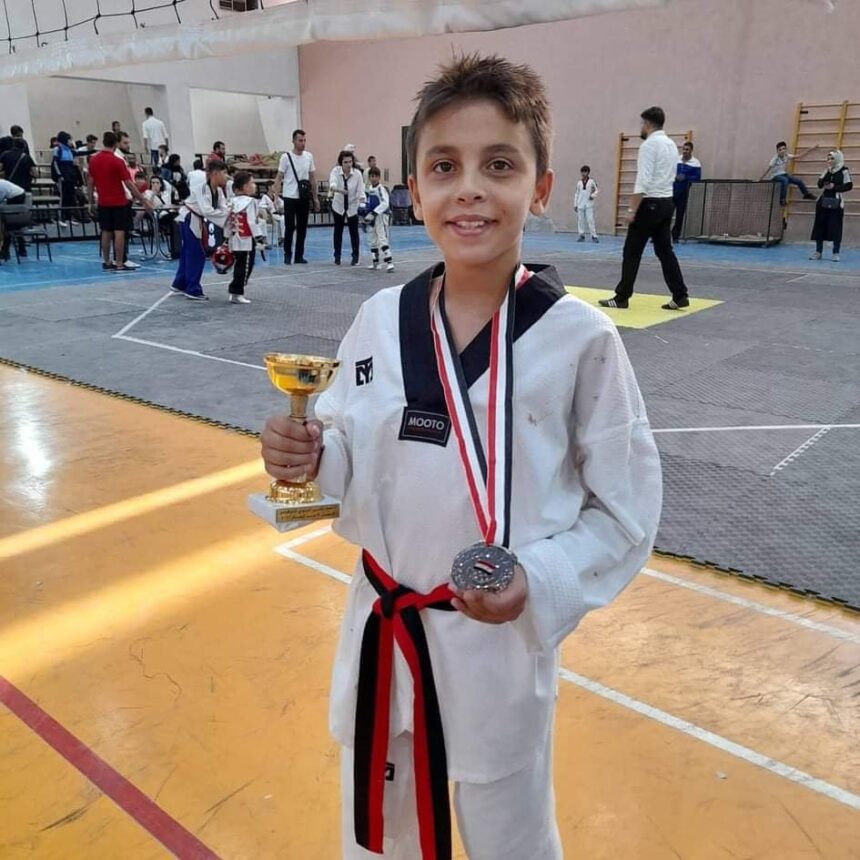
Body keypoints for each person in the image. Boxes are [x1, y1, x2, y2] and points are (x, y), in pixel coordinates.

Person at [260, 53, 661, 860]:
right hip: (385, 626)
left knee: (512, 833)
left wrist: (537, 579)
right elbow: (348, 454)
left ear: (541, 189)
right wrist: (307, 455)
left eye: (499, 165)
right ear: (414, 190)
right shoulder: (379, 319)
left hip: (496, 642)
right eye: (444, 167)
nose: (469, 189)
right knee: (380, 834)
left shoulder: (580, 340)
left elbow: (625, 511)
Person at [600, 106, 691, 311]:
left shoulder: (649, 146)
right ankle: (680, 294)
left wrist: (632, 210)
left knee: (632, 251)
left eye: (642, 123)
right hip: (667, 202)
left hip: (650, 203)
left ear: (648, 124)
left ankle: (622, 297)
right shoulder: (671, 145)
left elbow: (643, 180)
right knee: (665, 251)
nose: (641, 127)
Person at [87, 131, 151, 272]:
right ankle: (120, 263)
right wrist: (143, 200)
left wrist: (90, 202)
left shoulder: (93, 160)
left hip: (103, 201)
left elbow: (90, 183)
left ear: (103, 142)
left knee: (105, 231)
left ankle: (106, 261)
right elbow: (129, 183)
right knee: (119, 232)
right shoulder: (117, 161)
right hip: (119, 201)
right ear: (116, 143)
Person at [171, 158, 229, 300]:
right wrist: (227, 216)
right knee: (196, 253)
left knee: (188, 252)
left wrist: (229, 213)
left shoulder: (218, 191)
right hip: (189, 218)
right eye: (224, 173)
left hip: (196, 219)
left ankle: (179, 283)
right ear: (215, 173)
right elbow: (207, 211)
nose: (226, 176)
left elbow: (224, 208)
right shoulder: (202, 188)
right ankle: (192, 288)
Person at [272, 129, 320, 265]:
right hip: (289, 196)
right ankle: (287, 254)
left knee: (302, 227)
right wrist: (276, 197)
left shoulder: (309, 157)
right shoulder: (286, 157)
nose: (302, 143)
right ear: (293, 141)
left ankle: (299, 255)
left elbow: (312, 178)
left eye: (304, 140)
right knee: (290, 226)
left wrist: (315, 198)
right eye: (300, 140)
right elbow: (279, 178)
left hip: (303, 196)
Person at [224, 170, 265, 304]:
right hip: (246, 239)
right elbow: (251, 221)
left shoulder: (231, 201)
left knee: (239, 265)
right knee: (246, 266)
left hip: (234, 238)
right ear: (245, 186)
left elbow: (227, 221)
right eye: (252, 183)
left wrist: (226, 237)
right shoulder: (250, 202)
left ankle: (235, 291)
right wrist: (259, 237)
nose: (254, 185)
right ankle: (237, 291)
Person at [810, 149, 852, 263]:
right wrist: (825, 178)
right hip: (823, 201)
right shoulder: (827, 170)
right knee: (820, 226)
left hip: (836, 202)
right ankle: (818, 252)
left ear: (837, 159)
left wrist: (834, 187)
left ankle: (835, 253)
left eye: (832, 158)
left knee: (836, 227)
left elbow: (849, 185)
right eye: (828, 158)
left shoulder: (844, 170)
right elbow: (819, 184)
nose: (829, 160)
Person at [329, 150, 366, 266]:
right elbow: (332, 185)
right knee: (338, 231)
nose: (348, 164)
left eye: (350, 161)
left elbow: (360, 191)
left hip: (352, 205)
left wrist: (362, 203)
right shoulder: (335, 171)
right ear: (341, 163)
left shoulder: (357, 174)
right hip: (338, 205)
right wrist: (339, 190)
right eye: (345, 162)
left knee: (354, 232)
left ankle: (355, 256)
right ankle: (337, 256)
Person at [760, 141, 818, 206]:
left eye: (783, 149)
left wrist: (811, 148)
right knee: (785, 180)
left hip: (784, 174)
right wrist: (760, 179)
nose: (782, 151)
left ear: (786, 149)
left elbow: (799, 156)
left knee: (799, 181)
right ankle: (782, 200)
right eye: (780, 150)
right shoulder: (775, 158)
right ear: (777, 151)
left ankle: (806, 194)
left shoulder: (787, 156)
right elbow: (768, 169)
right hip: (775, 176)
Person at [363, 166, 394, 271]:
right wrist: (365, 212)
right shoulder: (370, 189)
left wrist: (374, 213)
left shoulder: (381, 189)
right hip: (372, 217)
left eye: (376, 176)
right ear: (369, 177)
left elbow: (385, 203)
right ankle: (375, 262)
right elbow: (369, 202)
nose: (374, 178)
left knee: (382, 237)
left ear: (379, 177)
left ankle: (389, 262)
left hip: (381, 216)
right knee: (372, 238)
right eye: (372, 176)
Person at [671, 140, 701, 243]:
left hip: (683, 192)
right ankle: (660, 236)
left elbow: (697, 178)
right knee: (666, 214)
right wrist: (674, 177)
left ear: (691, 150)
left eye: (687, 149)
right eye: (683, 149)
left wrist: (685, 177)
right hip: (671, 191)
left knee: (679, 216)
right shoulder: (676, 159)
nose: (684, 151)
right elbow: (670, 172)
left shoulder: (696, 163)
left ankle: (675, 236)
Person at [52, 131, 78, 226]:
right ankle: (60, 218)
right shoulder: (57, 149)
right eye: (69, 139)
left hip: (70, 176)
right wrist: (59, 175)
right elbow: (55, 163)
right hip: (63, 176)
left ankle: (69, 217)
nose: (70, 141)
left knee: (70, 197)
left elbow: (77, 155)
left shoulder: (70, 150)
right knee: (63, 197)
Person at [0, 178, 27, 262]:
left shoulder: (0, 185)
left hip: (17, 196)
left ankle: (5, 251)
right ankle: (22, 249)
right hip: (16, 194)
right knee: (15, 225)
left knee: (10, 224)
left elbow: (1, 198)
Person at [574, 164, 599, 242]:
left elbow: (596, 190)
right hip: (580, 203)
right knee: (580, 220)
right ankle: (581, 235)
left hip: (589, 204)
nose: (583, 173)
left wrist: (593, 195)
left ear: (588, 172)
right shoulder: (579, 183)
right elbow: (576, 194)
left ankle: (594, 236)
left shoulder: (592, 181)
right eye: (582, 172)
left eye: (585, 172)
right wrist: (575, 204)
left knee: (590, 220)